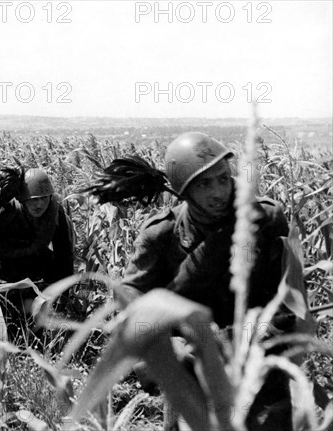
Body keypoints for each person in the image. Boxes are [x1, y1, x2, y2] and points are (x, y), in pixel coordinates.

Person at [89, 132, 294, 431]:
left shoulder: (266, 219)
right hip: (191, 371)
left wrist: (237, 338)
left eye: (223, 178)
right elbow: (133, 304)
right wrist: (167, 347)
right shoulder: (162, 236)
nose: (219, 191)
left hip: (258, 362)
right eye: (204, 184)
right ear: (184, 191)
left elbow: (286, 300)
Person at [0, 168, 75, 337]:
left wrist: (63, 294)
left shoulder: (56, 212)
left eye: (44, 198)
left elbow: (64, 255)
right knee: (6, 321)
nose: (40, 205)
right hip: (4, 267)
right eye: (34, 200)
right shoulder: (3, 209)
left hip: (35, 264)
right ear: (23, 199)